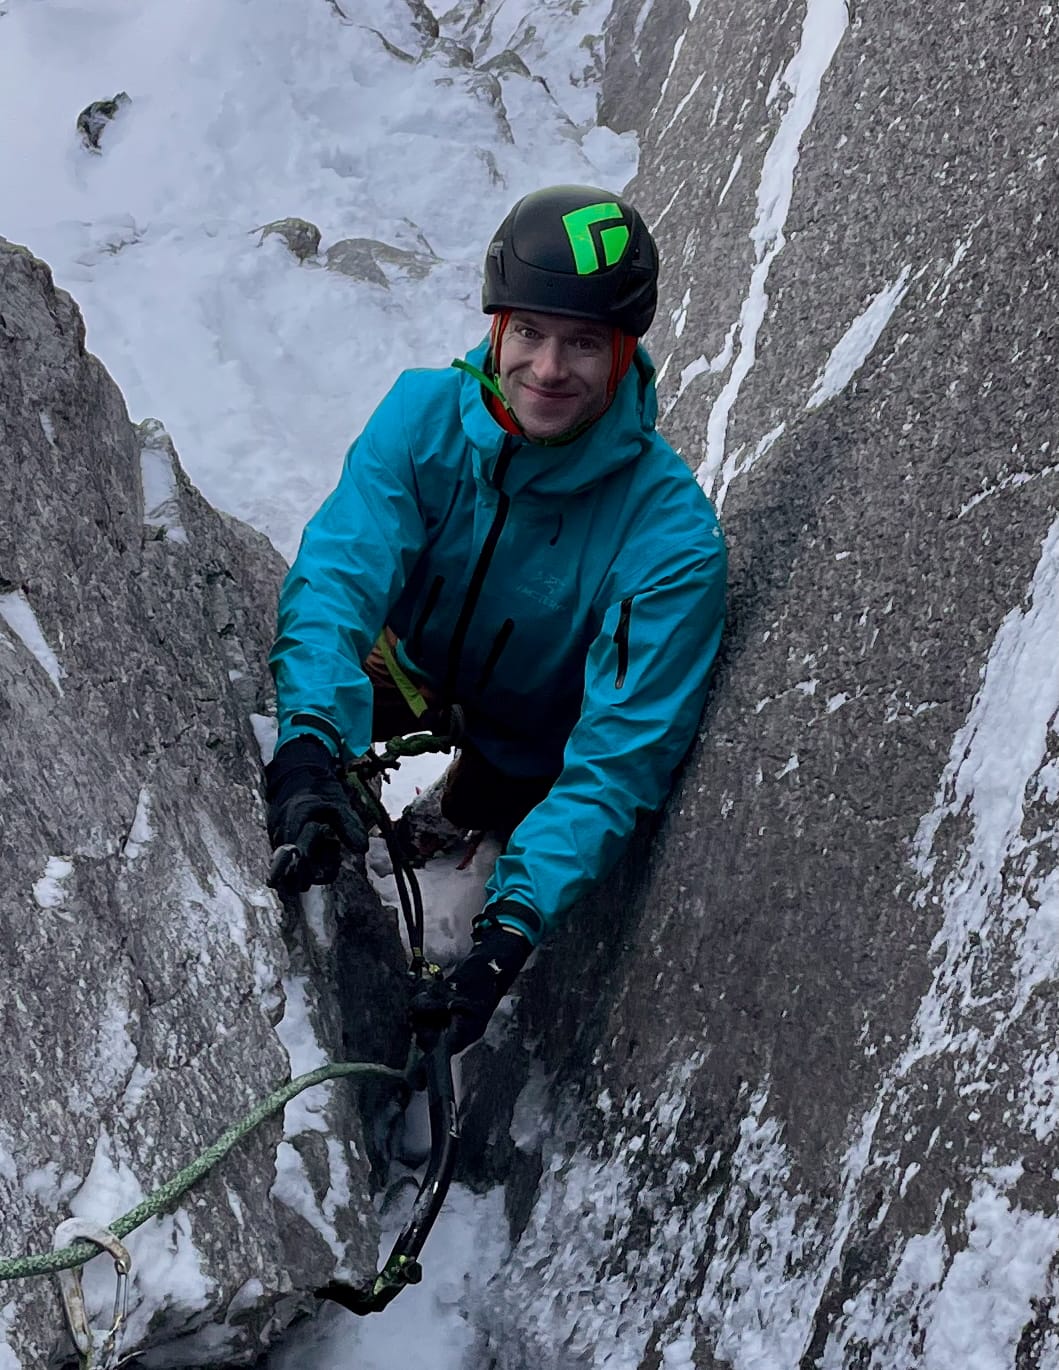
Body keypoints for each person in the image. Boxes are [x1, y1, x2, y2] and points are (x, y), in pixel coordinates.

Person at [264, 184, 727, 1052]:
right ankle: (370, 793)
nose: (549, 369)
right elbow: (338, 578)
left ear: (625, 353)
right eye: (531, 333)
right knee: (280, 715)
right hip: (403, 666)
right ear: (496, 329)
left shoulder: (669, 540)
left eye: (584, 341)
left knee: (498, 817)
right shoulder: (422, 418)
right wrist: (309, 750)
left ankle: (466, 811)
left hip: (533, 741)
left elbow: (619, 759)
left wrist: (506, 936)